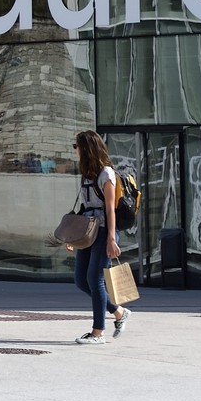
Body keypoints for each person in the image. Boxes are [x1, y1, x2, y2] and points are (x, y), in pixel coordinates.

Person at [70, 130, 131, 344]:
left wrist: (111, 238)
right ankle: (119, 312)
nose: (74, 150)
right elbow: (84, 208)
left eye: (76, 146)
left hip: (104, 231)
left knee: (95, 280)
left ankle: (98, 333)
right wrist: (73, 237)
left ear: (86, 148)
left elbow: (110, 208)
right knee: (81, 280)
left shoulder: (106, 173)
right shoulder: (86, 173)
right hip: (88, 231)